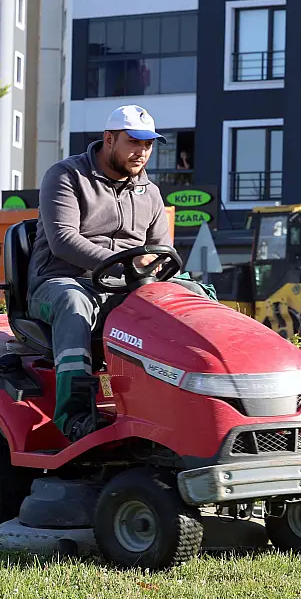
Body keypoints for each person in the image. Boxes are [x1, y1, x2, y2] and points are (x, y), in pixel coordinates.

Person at [28, 105, 206, 440]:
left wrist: (157, 273)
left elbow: (158, 250)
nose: (142, 152)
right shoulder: (66, 176)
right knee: (74, 303)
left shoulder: (150, 193)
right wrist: (127, 262)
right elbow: (63, 241)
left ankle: (191, 400)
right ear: (109, 139)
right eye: (134, 142)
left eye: (149, 144)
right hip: (62, 282)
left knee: (195, 295)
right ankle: (74, 414)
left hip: (126, 287)